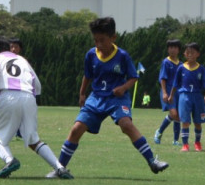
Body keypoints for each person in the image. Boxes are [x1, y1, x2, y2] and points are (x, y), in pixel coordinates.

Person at [57, 17, 169, 176]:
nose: (99, 44)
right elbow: (87, 75)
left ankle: (153, 161)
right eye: (95, 40)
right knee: (76, 129)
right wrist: (82, 93)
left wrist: (123, 88)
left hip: (117, 99)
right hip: (96, 98)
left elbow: (133, 77)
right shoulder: (91, 54)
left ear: (113, 38)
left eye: (102, 40)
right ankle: (60, 168)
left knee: (126, 125)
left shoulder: (122, 56)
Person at [0, 35, 71, 179]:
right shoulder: (22, 60)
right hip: (29, 97)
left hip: (8, 96)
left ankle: (10, 161)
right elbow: (37, 85)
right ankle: (60, 168)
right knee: (33, 140)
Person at [169, 42, 205, 152]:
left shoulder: (201, 69)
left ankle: (197, 143)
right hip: (184, 96)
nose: (189, 55)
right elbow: (175, 84)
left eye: (192, 53)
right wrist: (171, 96)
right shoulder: (181, 68)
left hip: (197, 96)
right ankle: (185, 145)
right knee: (185, 121)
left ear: (198, 54)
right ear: (184, 54)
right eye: (187, 52)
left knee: (198, 122)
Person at [153, 38, 182, 145]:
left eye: (175, 47)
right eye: (170, 47)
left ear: (178, 50)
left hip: (178, 92)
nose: (172, 50)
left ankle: (175, 140)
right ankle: (159, 131)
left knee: (177, 115)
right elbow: (162, 78)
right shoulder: (166, 62)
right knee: (174, 113)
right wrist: (164, 92)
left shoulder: (181, 64)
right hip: (168, 90)